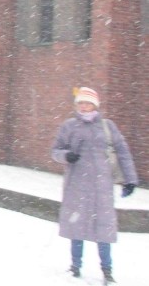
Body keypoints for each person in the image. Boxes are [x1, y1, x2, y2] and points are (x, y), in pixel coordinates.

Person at [51, 86, 138, 283]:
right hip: (77, 185)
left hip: (102, 187)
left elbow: (123, 152)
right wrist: (66, 156)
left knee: (104, 229)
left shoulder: (107, 127)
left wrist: (130, 180)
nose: (84, 106)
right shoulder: (69, 126)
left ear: (95, 105)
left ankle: (107, 270)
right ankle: (75, 267)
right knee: (76, 227)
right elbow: (55, 150)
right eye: (80, 103)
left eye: (88, 103)